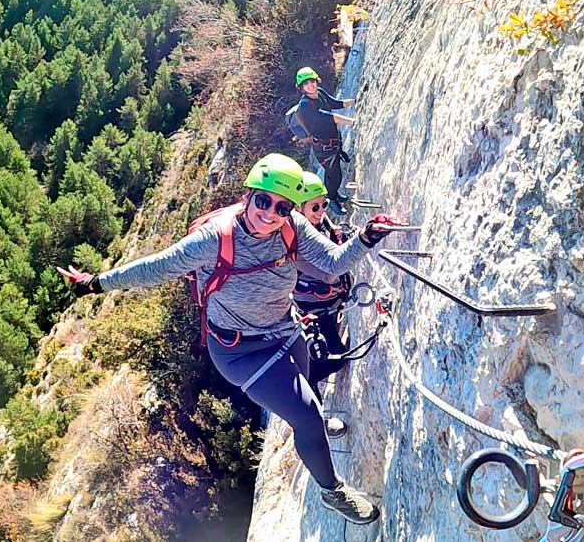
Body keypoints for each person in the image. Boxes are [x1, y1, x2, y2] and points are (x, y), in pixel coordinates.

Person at [57, 153, 402, 525]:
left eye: (282, 206)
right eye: (263, 201)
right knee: (306, 414)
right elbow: (155, 267)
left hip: (284, 329)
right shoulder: (214, 239)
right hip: (240, 350)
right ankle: (332, 491)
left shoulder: (293, 228)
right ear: (248, 195)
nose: (270, 213)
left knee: (306, 395)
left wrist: (367, 237)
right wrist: (95, 283)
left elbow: (333, 263)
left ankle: (310, 429)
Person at [293, 172, 353, 396]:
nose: (321, 211)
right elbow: (328, 272)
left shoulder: (320, 224)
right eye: (315, 207)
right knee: (335, 359)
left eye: (324, 204)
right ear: (299, 209)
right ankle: (305, 386)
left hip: (328, 300)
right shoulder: (296, 241)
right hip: (315, 307)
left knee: (336, 355)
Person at [293, 66, 355, 214]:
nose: (310, 85)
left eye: (312, 81)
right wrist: (351, 121)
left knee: (332, 173)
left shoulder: (319, 93)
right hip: (323, 148)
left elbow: (334, 103)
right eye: (306, 84)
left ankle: (335, 195)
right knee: (335, 174)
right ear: (302, 88)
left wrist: (352, 101)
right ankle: (331, 199)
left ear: (316, 80)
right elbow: (328, 117)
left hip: (331, 142)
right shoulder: (305, 105)